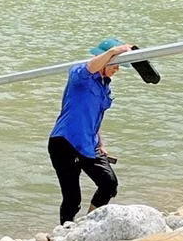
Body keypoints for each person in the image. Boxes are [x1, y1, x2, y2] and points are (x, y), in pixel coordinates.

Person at [48, 38, 131, 224]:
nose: (117, 70)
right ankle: (64, 231)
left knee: (109, 184)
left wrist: (100, 143)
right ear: (105, 60)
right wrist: (114, 52)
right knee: (72, 198)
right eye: (115, 65)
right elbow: (90, 67)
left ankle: (90, 223)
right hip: (65, 142)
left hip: (89, 143)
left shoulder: (104, 85)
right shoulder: (80, 76)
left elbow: (94, 116)